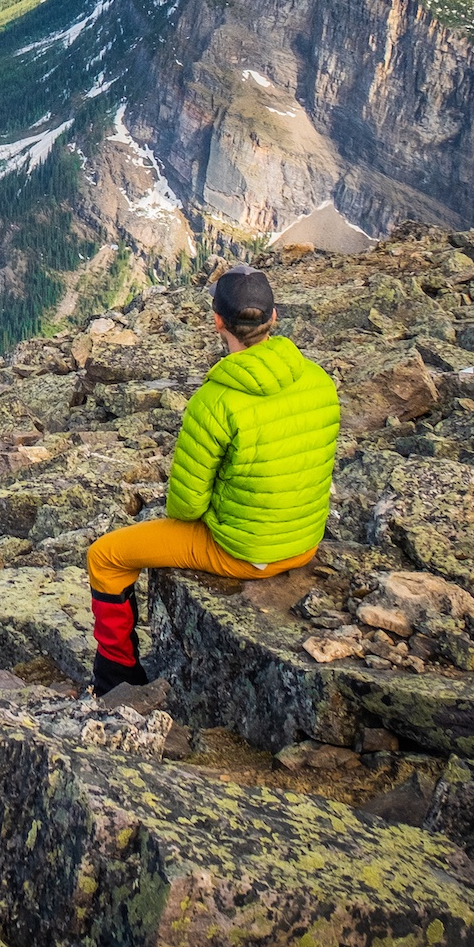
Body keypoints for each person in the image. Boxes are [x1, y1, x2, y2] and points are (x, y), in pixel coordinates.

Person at [85, 264, 340, 695]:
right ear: (274, 318)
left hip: (244, 552)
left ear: (218, 321)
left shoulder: (215, 400)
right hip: (304, 542)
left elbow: (184, 508)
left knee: (105, 557)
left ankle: (116, 675)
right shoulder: (318, 381)